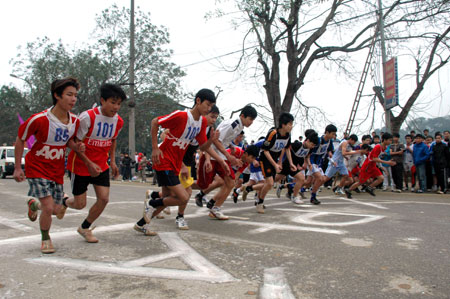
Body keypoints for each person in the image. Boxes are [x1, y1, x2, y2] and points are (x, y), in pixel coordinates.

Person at [134, 89, 227, 234]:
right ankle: (152, 203)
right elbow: (155, 122)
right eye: (207, 105)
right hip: (163, 159)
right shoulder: (181, 115)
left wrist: (211, 140)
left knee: (166, 198)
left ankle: (141, 224)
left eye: (211, 107)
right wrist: (154, 148)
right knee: (183, 196)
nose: (208, 109)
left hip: (176, 162)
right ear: (198, 101)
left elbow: (202, 146)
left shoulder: (201, 122)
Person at [13, 77, 82, 253]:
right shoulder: (39, 119)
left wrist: (77, 146)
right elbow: (20, 140)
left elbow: (69, 142)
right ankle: (46, 238)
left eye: (75, 95)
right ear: (57, 96)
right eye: (69, 95)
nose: (73, 99)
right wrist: (18, 167)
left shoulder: (74, 122)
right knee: (49, 207)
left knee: (55, 210)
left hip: (56, 170)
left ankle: (33, 205)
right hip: (36, 167)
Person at [61, 83, 126, 243]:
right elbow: (75, 144)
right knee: (79, 204)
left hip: (101, 165)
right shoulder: (87, 117)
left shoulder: (118, 121)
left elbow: (113, 140)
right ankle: (64, 201)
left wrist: (113, 162)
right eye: (113, 102)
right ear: (103, 100)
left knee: (104, 199)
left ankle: (84, 227)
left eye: (119, 104)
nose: (116, 107)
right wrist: (89, 163)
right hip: (80, 166)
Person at [200, 105, 258, 220]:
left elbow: (224, 140)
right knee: (203, 184)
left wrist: (230, 146)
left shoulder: (239, 127)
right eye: (250, 119)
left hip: (220, 156)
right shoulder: (233, 125)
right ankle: (178, 188)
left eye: (253, 120)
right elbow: (215, 140)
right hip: (213, 155)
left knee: (230, 182)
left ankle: (215, 208)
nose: (251, 122)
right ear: (242, 116)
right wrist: (228, 156)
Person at [254, 112, 295, 213]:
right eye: (289, 124)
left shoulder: (288, 135)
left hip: (275, 158)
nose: (291, 126)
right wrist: (275, 164)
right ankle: (260, 202)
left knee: (269, 184)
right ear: (283, 125)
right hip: (265, 158)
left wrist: (290, 163)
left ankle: (254, 193)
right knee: (270, 182)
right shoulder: (273, 134)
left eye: (292, 124)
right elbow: (265, 150)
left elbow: (286, 149)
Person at [345, 133, 396, 198]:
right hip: (368, 166)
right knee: (361, 182)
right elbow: (374, 158)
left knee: (381, 178)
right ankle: (348, 190)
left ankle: (369, 188)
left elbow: (376, 158)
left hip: (373, 166)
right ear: (384, 140)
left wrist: (383, 165)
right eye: (389, 140)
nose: (390, 142)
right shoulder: (378, 147)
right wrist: (387, 162)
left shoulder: (384, 148)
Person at [275, 131, 319, 203]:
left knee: (301, 178)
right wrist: (280, 161)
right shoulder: (297, 145)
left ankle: (294, 196)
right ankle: (260, 187)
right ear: (307, 141)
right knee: (275, 179)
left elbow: (307, 156)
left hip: (294, 166)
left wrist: (307, 164)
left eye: (314, 145)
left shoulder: (310, 149)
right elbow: (285, 148)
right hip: (287, 164)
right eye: (312, 144)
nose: (313, 146)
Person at [306, 124, 337, 205]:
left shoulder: (329, 142)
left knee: (309, 182)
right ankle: (313, 196)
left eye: (335, 134)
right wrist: (308, 162)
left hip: (319, 163)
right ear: (327, 132)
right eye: (332, 134)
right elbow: (309, 151)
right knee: (319, 178)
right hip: (312, 161)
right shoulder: (318, 140)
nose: (334, 136)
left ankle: (291, 187)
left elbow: (329, 150)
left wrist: (330, 155)